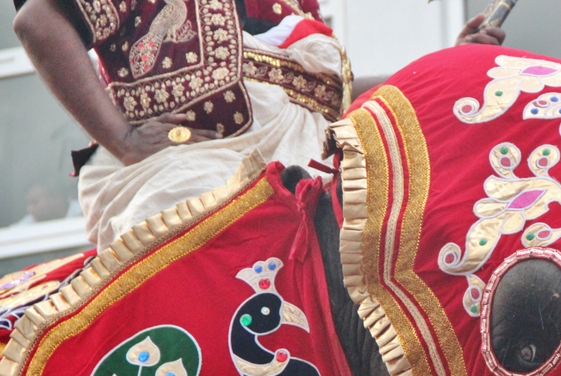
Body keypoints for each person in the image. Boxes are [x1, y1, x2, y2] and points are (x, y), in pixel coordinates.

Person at [12, 0, 504, 250]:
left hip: (315, 171)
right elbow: (38, 20)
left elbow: (326, 101)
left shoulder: (293, 8)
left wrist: (446, 64)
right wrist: (121, 139)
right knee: (211, 241)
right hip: (191, 168)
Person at [11, 183, 83, 225]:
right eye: (28, 204)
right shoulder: (32, 220)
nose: (29, 209)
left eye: (35, 202)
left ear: (56, 198)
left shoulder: (84, 211)